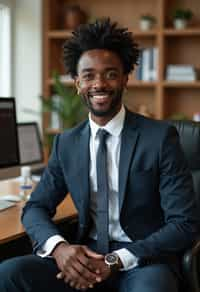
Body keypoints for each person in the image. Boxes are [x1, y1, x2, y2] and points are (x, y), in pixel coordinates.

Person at [0, 18, 199, 292]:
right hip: (85, 255)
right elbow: (35, 207)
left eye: (110, 74)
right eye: (89, 75)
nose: (99, 84)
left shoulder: (160, 138)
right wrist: (60, 250)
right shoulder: (66, 143)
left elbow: (184, 223)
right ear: (77, 82)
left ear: (125, 79)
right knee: (9, 274)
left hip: (143, 260)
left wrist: (115, 260)